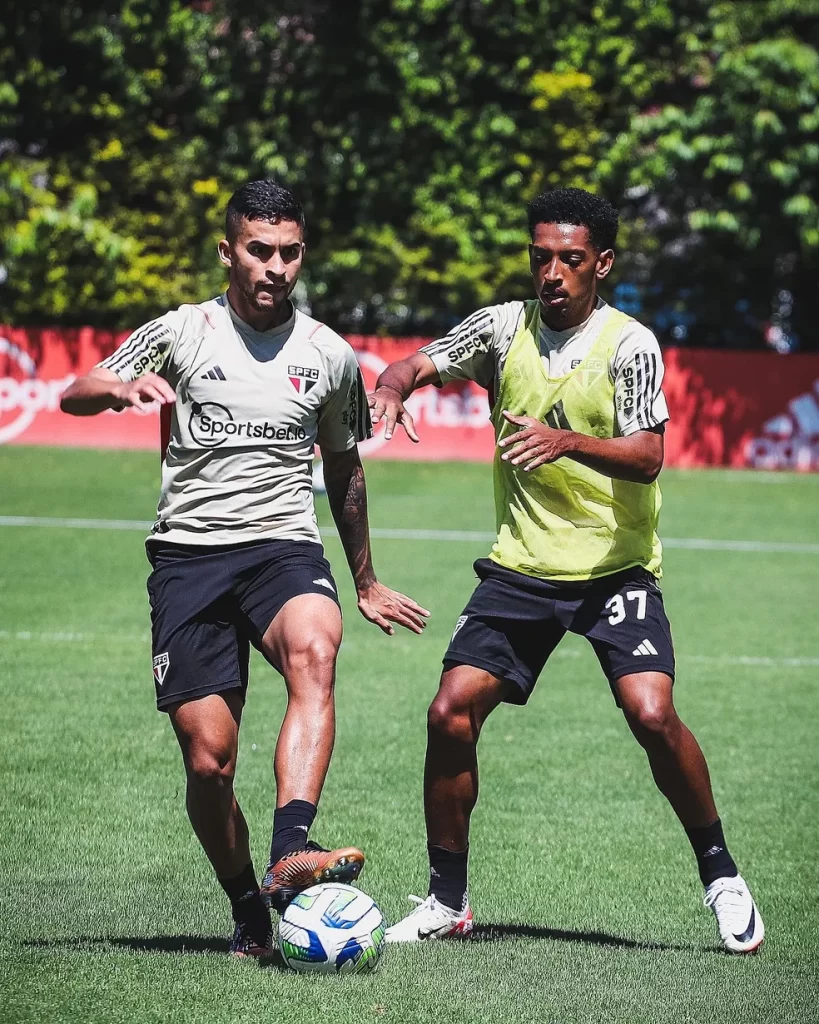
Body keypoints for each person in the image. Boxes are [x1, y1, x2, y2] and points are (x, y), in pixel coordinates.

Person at [368, 188, 763, 954]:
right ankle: (447, 899)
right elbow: (417, 362)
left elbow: (648, 456)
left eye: (570, 259)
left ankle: (720, 874)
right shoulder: (499, 327)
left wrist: (564, 442)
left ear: (601, 264)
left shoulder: (629, 344)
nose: (552, 272)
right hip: (521, 569)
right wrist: (390, 388)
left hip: (616, 569)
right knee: (449, 711)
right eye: (540, 256)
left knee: (650, 714)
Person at [61, 179, 429, 957]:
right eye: (259, 250)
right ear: (228, 251)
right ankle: (246, 907)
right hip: (189, 556)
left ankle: (292, 847)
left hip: (281, 548)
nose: (274, 267)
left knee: (315, 646)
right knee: (208, 763)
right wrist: (120, 386)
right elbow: (76, 390)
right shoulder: (182, 330)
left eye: (289, 252)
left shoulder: (328, 353)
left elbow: (345, 470)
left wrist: (361, 579)